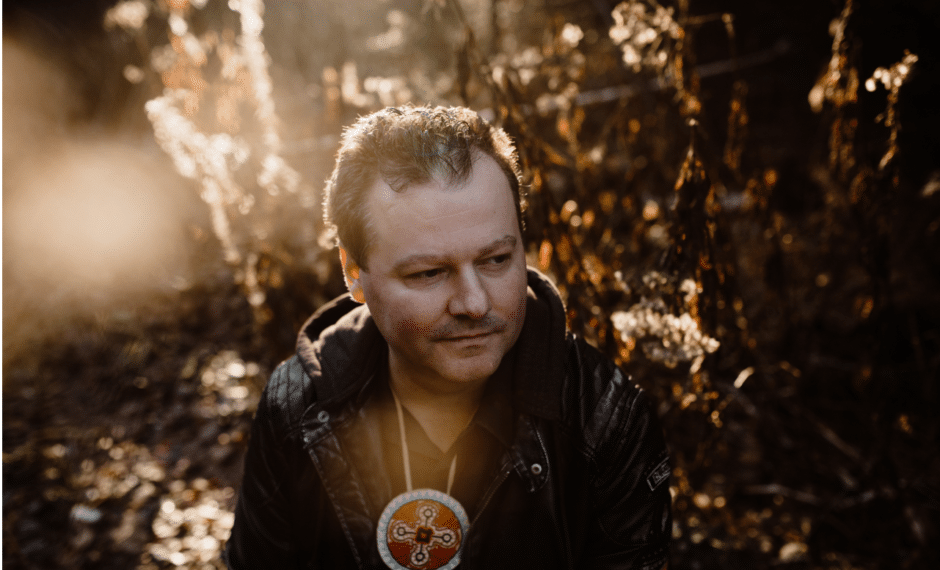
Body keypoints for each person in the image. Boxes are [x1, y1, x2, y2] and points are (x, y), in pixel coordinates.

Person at [224, 105, 672, 570]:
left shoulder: (602, 416)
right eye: (428, 272)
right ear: (354, 272)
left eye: (496, 260)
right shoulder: (296, 409)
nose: (474, 303)